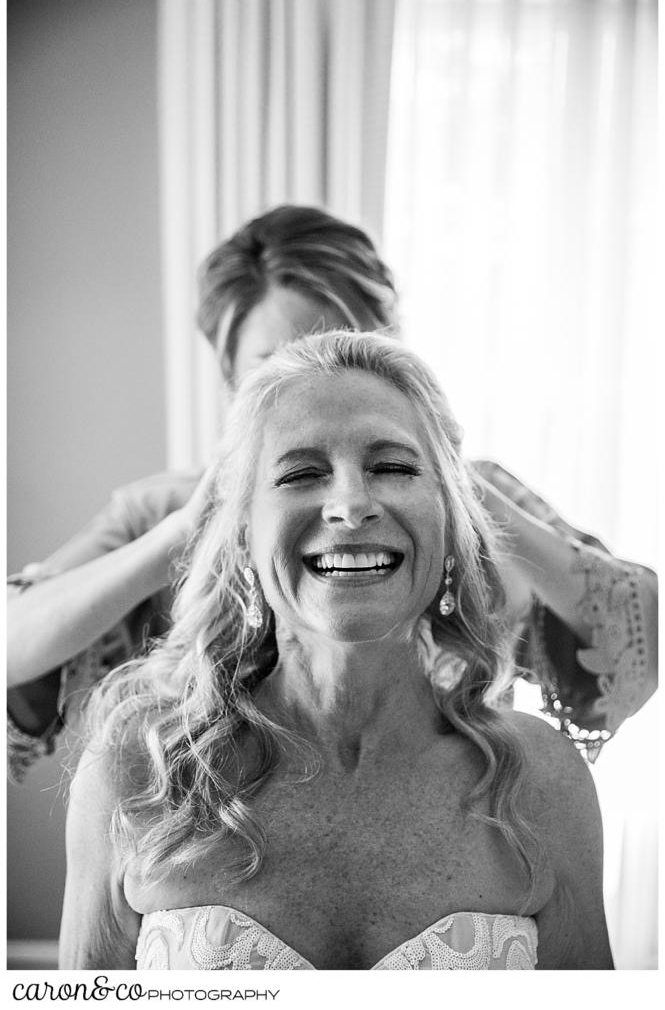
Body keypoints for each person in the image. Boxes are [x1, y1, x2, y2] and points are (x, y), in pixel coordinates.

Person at [7, 205, 657, 783]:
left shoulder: (470, 501)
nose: (313, 387)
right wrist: (185, 533)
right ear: (231, 379)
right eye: (276, 365)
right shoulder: (155, 513)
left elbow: (640, 641)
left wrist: (464, 494)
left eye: (341, 350)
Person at [59, 331, 613, 970]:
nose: (350, 505)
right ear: (242, 534)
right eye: (299, 473)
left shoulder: (541, 781)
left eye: (394, 467)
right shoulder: (136, 774)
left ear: (451, 522)